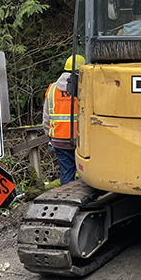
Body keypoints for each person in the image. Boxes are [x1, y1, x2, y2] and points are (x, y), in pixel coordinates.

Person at [43, 55, 85, 185]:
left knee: (66, 173)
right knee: (87, 174)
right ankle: (88, 203)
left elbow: (46, 118)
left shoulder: (52, 89)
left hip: (59, 140)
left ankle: (66, 200)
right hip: (81, 140)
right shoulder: (84, 89)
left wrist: (50, 137)